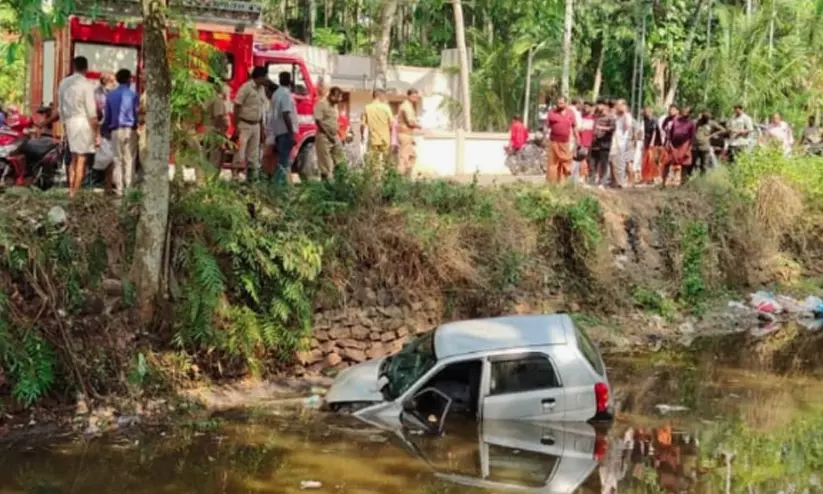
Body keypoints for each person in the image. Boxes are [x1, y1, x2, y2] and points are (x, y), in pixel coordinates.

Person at [58, 56, 98, 198]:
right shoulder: (86, 85)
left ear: (73, 67)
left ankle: (71, 189)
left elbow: (60, 107)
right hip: (83, 123)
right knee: (81, 159)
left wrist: (64, 126)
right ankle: (75, 193)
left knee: (73, 158)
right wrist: (97, 133)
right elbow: (91, 112)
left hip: (69, 123)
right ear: (86, 68)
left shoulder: (63, 83)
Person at [102, 68, 139, 196]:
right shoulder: (133, 95)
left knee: (117, 159)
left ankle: (119, 189)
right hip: (130, 130)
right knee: (130, 159)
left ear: (117, 80)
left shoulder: (110, 95)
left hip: (115, 130)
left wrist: (105, 131)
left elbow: (107, 116)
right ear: (129, 79)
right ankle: (129, 189)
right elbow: (136, 114)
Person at [232, 66, 268, 180]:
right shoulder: (246, 87)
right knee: (240, 152)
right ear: (259, 77)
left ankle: (251, 179)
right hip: (244, 124)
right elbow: (237, 105)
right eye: (265, 77)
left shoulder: (262, 89)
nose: (266, 79)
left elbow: (260, 109)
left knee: (253, 154)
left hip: (256, 125)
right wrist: (236, 126)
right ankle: (235, 177)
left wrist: (262, 128)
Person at [269, 71, 298, 185]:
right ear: (290, 81)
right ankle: (277, 184)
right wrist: (291, 133)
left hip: (278, 130)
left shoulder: (276, 94)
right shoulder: (286, 94)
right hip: (286, 131)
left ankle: (281, 183)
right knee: (284, 161)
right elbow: (286, 113)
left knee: (282, 159)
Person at [544, 96, 579, 183]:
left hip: (565, 142)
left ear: (566, 103)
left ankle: (563, 181)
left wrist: (577, 139)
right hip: (553, 142)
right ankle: (552, 182)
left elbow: (574, 127)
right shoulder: (552, 112)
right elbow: (546, 126)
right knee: (553, 163)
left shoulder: (570, 113)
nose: (559, 105)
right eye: (558, 103)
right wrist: (544, 137)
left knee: (565, 160)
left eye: (561, 103)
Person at [313, 86, 345, 179]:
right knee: (325, 165)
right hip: (324, 136)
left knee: (340, 160)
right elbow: (318, 121)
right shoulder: (321, 104)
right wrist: (328, 135)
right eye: (337, 97)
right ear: (332, 95)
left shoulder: (334, 106)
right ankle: (325, 185)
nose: (339, 100)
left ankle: (340, 182)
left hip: (335, 136)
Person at [663, 106, 696, 187]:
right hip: (673, 145)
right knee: (666, 163)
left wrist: (689, 148)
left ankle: (682, 184)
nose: (685, 112)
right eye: (684, 110)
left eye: (687, 111)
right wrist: (668, 143)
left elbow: (692, 137)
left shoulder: (691, 123)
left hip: (684, 145)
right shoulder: (675, 120)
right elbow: (670, 133)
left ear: (690, 113)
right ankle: (663, 183)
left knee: (684, 165)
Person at [361, 88, 394, 164]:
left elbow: (362, 125)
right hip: (385, 139)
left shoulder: (367, 108)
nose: (384, 98)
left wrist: (362, 136)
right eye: (384, 96)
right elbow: (391, 124)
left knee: (374, 162)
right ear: (380, 96)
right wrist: (391, 135)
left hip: (373, 139)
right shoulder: (386, 107)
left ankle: (376, 172)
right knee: (386, 162)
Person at [204, 77, 231, 171]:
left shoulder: (206, 97)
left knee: (208, 153)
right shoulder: (216, 99)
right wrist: (220, 132)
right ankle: (212, 174)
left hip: (207, 128)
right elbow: (218, 117)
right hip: (215, 129)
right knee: (215, 155)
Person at [590, 99, 616, 186]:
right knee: (593, 161)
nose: (598, 107)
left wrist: (601, 128)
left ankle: (602, 181)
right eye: (598, 105)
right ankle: (593, 178)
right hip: (595, 142)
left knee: (604, 162)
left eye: (600, 105)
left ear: (605, 106)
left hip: (605, 142)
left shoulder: (611, 117)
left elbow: (612, 128)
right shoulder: (596, 115)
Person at [396, 89, 421, 176]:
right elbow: (410, 122)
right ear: (409, 96)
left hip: (408, 134)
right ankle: (400, 178)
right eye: (414, 96)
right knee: (404, 158)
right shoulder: (406, 106)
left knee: (411, 156)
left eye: (416, 96)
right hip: (404, 134)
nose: (415, 98)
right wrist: (420, 127)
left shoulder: (409, 106)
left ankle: (406, 177)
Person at [609, 99, 634, 188]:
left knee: (619, 162)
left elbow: (627, 126)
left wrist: (624, 113)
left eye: (619, 105)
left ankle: (620, 182)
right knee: (612, 162)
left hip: (622, 143)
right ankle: (614, 181)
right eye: (617, 105)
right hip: (613, 141)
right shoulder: (616, 116)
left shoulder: (627, 116)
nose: (617, 107)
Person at [693, 111, 724, 177]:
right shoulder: (696, 122)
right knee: (692, 164)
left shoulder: (711, 123)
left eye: (707, 118)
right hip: (695, 146)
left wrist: (711, 135)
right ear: (702, 117)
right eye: (705, 118)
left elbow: (723, 129)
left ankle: (702, 179)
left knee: (704, 165)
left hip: (705, 147)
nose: (706, 120)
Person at [572, 101, 595, 183]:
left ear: (592, 108)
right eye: (585, 106)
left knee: (586, 160)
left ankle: (586, 176)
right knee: (580, 158)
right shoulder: (581, 117)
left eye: (588, 107)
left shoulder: (594, 118)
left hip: (589, 142)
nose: (586, 108)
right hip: (580, 141)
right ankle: (581, 175)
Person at [641, 106, 665, 184]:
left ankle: (654, 177)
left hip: (654, 144)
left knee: (653, 161)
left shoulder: (654, 120)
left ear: (651, 112)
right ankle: (648, 177)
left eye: (648, 111)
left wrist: (651, 143)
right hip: (647, 142)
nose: (646, 113)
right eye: (645, 112)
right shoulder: (645, 120)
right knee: (647, 161)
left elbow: (655, 133)